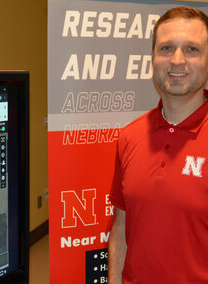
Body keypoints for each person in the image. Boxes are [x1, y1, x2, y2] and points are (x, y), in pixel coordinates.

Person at [108, 6, 208, 284]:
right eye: (166, 48)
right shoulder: (129, 136)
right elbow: (120, 225)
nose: (177, 61)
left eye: (192, 49)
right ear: (152, 58)